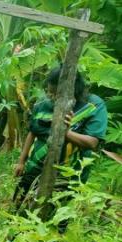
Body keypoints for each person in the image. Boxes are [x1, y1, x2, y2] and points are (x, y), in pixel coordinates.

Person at [14, 66, 108, 204]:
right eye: (49, 92)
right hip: (34, 168)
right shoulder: (43, 104)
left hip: (69, 174)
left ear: (71, 90)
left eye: (55, 94)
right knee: (20, 206)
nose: (51, 97)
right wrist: (21, 162)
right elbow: (33, 131)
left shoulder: (93, 106)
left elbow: (92, 142)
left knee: (57, 212)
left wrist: (65, 132)